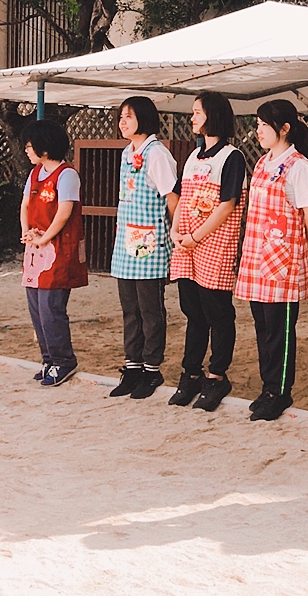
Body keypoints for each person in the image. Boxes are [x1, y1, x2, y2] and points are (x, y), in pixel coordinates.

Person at [235, 99, 308, 422]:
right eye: (257, 124)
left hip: (282, 262)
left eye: (264, 125)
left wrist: (301, 248)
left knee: (279, 331)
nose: (258, 131)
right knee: (262, 326)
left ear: (284, 128)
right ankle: (267, 388)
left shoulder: (299, 167)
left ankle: (280, 391)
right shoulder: (262, 163)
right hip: (258, 258)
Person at [168, 92, 247, 412]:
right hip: (187, 245)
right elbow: (182, 198)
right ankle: (191, 372)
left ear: (213, 115)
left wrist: (196, 236)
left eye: (197, 112)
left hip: (214, 244)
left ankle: (217, 375)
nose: (192, 118)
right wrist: (175, 230)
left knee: (218, 312)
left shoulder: (232, 157)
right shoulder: (193, 156)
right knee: (193, 311)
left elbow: (228, 205)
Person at [109, 96, 179, 400]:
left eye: (129, 116)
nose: (122, 122)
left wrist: (176, 232)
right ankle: (132, 366)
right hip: (127, 243)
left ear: (145, 119)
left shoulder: (157, 153)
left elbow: (172, 197)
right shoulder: (128, 152)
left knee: (150, 310)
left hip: (150, 242)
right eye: (121, 117)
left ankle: (152, 368)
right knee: (130, 309)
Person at [20, 119, 88, 387]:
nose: (26, 150)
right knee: (35, 307)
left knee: (51, 307)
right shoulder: (35, 173)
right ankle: (48, 358)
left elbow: (64, 213)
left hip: (58, 249)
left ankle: (63, 360)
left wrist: (44, 238)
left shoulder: (67, 174)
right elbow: (25, 204)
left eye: (30, 145)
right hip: (35, 249)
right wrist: (27, 233)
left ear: (45, 148)